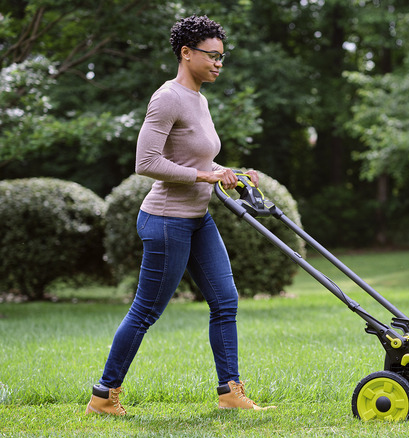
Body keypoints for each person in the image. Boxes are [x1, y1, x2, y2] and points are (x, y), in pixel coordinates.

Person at [86, 15, 272, 415]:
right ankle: (103, 396)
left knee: (225, 302)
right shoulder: (167, 97)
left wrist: (231, 173)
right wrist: (203, 175)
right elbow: (146, 161)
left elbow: (197, 158)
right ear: (186, 54)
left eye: (223, 56)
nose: (219, 63)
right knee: (147, 311)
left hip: (197, 218)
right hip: (167, 220)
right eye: (212, 55)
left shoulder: (200, 100)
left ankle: (229, 392)